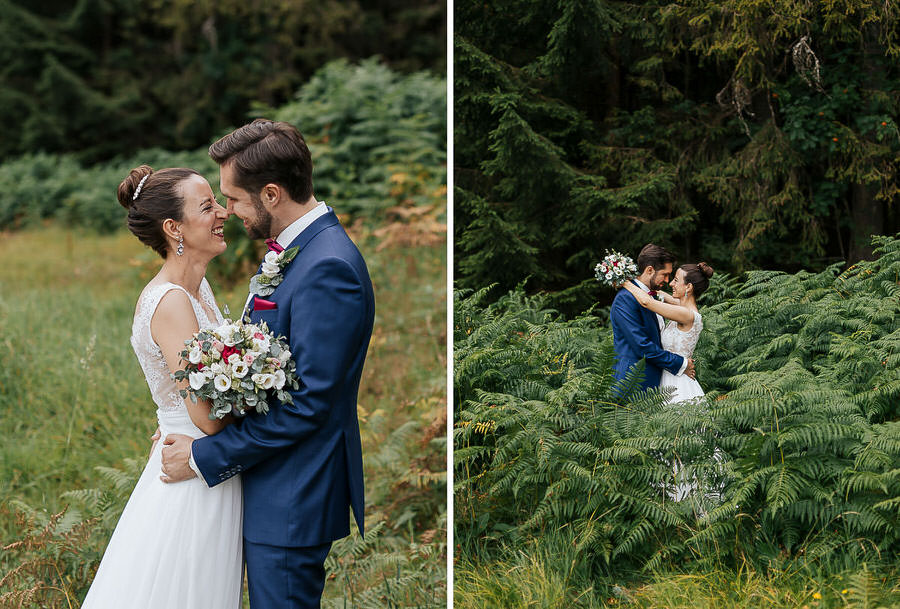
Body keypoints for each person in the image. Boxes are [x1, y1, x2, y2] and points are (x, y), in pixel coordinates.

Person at [160, 119, 376, 609]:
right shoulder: (297, 251)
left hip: (293, 493)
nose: (227, 210)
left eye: (233, 198)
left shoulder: (328, 267)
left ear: (272, 194)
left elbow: (308, 404)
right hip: (271, 482)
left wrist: (202, 457)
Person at [81, 166, 242, 608]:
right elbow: (207, 419)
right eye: (207, 206)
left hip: (202, 465)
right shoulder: (170, 302)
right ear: (174, 228)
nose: (223, 213)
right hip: (191, 476)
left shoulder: (198, 288)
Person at [609, 243, 695, 395]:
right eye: (665, 274)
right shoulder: (625, 299)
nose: (668, 281)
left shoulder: (653, 296)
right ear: (650, 270)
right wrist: (680, 363)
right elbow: (642, 345)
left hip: (655, 383)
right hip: (632, 384)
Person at [622, 262, 714, 403]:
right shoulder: (683, 307)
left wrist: (624, 282)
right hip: (670, 373)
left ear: (689, 287)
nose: (671, 283)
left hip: (676, 383)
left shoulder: (686, 314)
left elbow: (647, 302)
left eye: (676, 280)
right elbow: (660, 295)